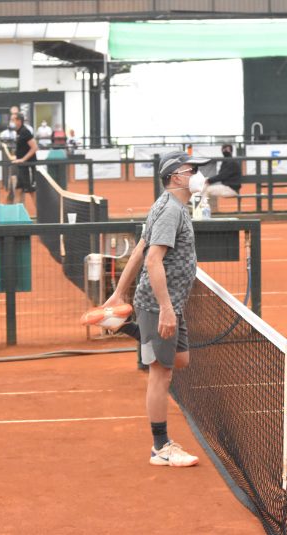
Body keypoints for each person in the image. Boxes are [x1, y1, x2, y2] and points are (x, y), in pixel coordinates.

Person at [100, 150, 210, 467]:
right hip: (160, 305)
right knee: (161, 373)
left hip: (170, 303)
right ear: (176, 176)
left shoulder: (169, 206)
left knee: (180, 359)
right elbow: (151, 259)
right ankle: (160, 447)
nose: (198, 175)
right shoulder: (170, 210)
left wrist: (118, 294)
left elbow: (139, 249)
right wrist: (165, 309)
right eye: (192, 170)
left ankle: (124, 326)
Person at [9, 113, 38, 205]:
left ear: (19, 121)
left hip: (28, 166)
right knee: (18, 189)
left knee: (32, 191)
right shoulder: (18, 132)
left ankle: (41, 212)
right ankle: (16, 213)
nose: (12, 122)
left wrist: (23, 159)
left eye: (13, 120)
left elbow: (34, 147)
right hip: (22, 167)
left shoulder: (25, 131)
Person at [201, 143, 241, 211]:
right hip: (227, 187)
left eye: (227, 149)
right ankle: (208, 209)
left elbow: (222, 176)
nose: (224, 151)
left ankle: (203, 210)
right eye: (223, 149)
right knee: (206, 187)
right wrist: (209, 180)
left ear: (231, 150)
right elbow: (221, 175)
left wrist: (209, 180)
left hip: (231, 189)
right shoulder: (226, 161)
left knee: (207, 190)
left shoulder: (232, 162)